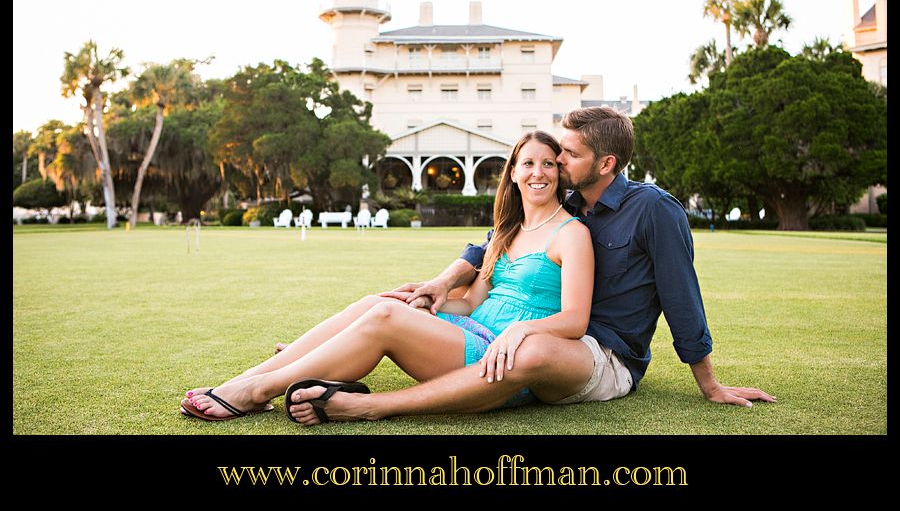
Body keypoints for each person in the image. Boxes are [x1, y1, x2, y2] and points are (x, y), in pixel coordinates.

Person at [285, 105, 775, 426]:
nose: (555, 161)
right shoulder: (573, 202)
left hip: (606, 355)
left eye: (567, 154)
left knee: (530, 347)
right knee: (386, 304)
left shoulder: (653, 209)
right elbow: (492, 244)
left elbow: (681, 293)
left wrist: (708, 383)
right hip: (553, 337)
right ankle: (321, 360)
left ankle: (370, 407)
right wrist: (444, 279)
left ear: (605, 164)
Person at [181, 130, 594, 421]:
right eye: (528, 163)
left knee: (385, 319)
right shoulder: (506, 232)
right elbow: (469, 303)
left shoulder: (572, 234)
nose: (538, 172)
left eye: (547, 164)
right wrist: (424, 302)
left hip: (500, 364)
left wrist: (522, 332)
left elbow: (575, 321)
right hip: (472, 330)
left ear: (558, 174)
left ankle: (255, 392)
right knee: (381, 303)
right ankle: (246, 381)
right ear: (514, 173)